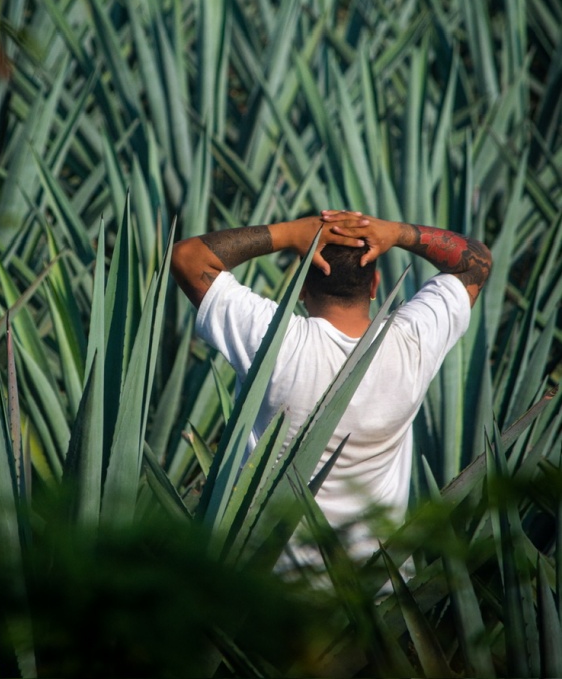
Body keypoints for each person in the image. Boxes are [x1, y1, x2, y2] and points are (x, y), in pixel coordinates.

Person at [171, 210, 492, 568]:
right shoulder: (413, 343)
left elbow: (188, 257)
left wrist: (291, 233)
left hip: (267, 597)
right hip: (376, 599)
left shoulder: (274, 341)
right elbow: (476, 261)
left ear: (303, 289)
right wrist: (396, 233)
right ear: (374, 287)